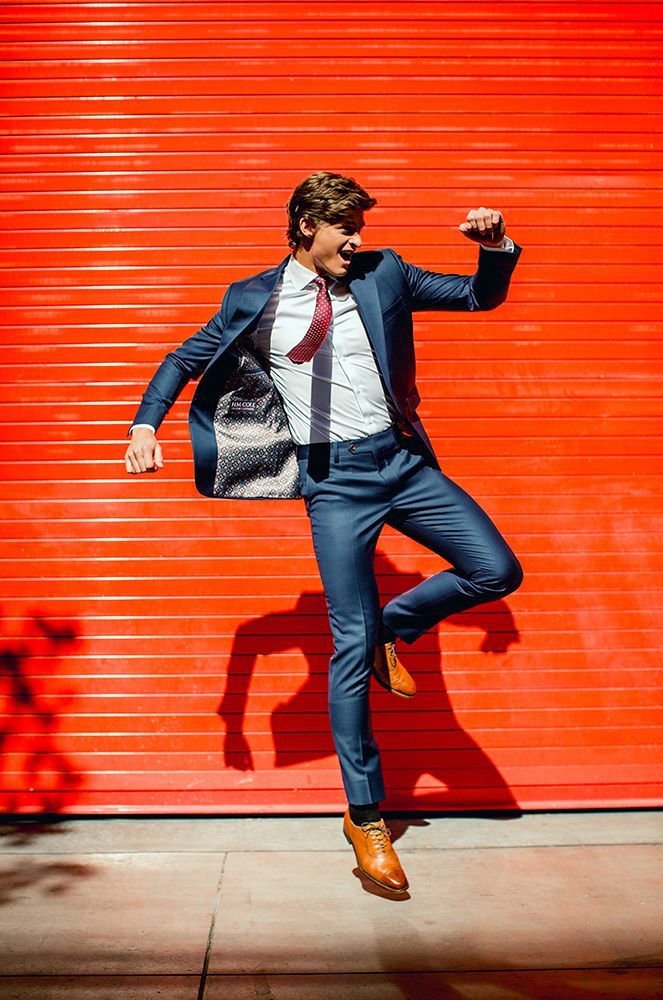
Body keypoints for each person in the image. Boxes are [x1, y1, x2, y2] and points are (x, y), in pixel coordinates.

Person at [124, 171, 524, 894]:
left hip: (402, 462)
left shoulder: (384, 273)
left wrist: (494, 248)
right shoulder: (252, 297)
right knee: (347, 646)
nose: (357, 241)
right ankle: (366, 818)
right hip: (333, 482)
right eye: (346, 228)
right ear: (308, 226)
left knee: (495, 570)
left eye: (361, 228)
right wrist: (146, 424)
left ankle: (391, 629)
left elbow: (476, 295)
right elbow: (185, 358)